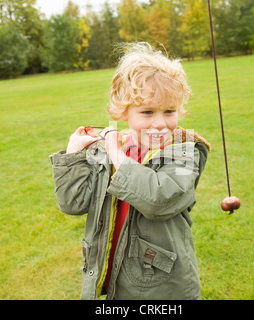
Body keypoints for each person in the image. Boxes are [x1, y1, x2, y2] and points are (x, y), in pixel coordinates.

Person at [50, 42, 211, 300]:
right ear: (124, 112)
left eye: (169, 111)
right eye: (147, 112)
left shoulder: (184, 150)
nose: (160, 123)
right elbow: (73, 203)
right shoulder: (112, 148)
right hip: (115, 272)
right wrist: (73, 154)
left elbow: (160, 200)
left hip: (162, 287)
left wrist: (117, 155)